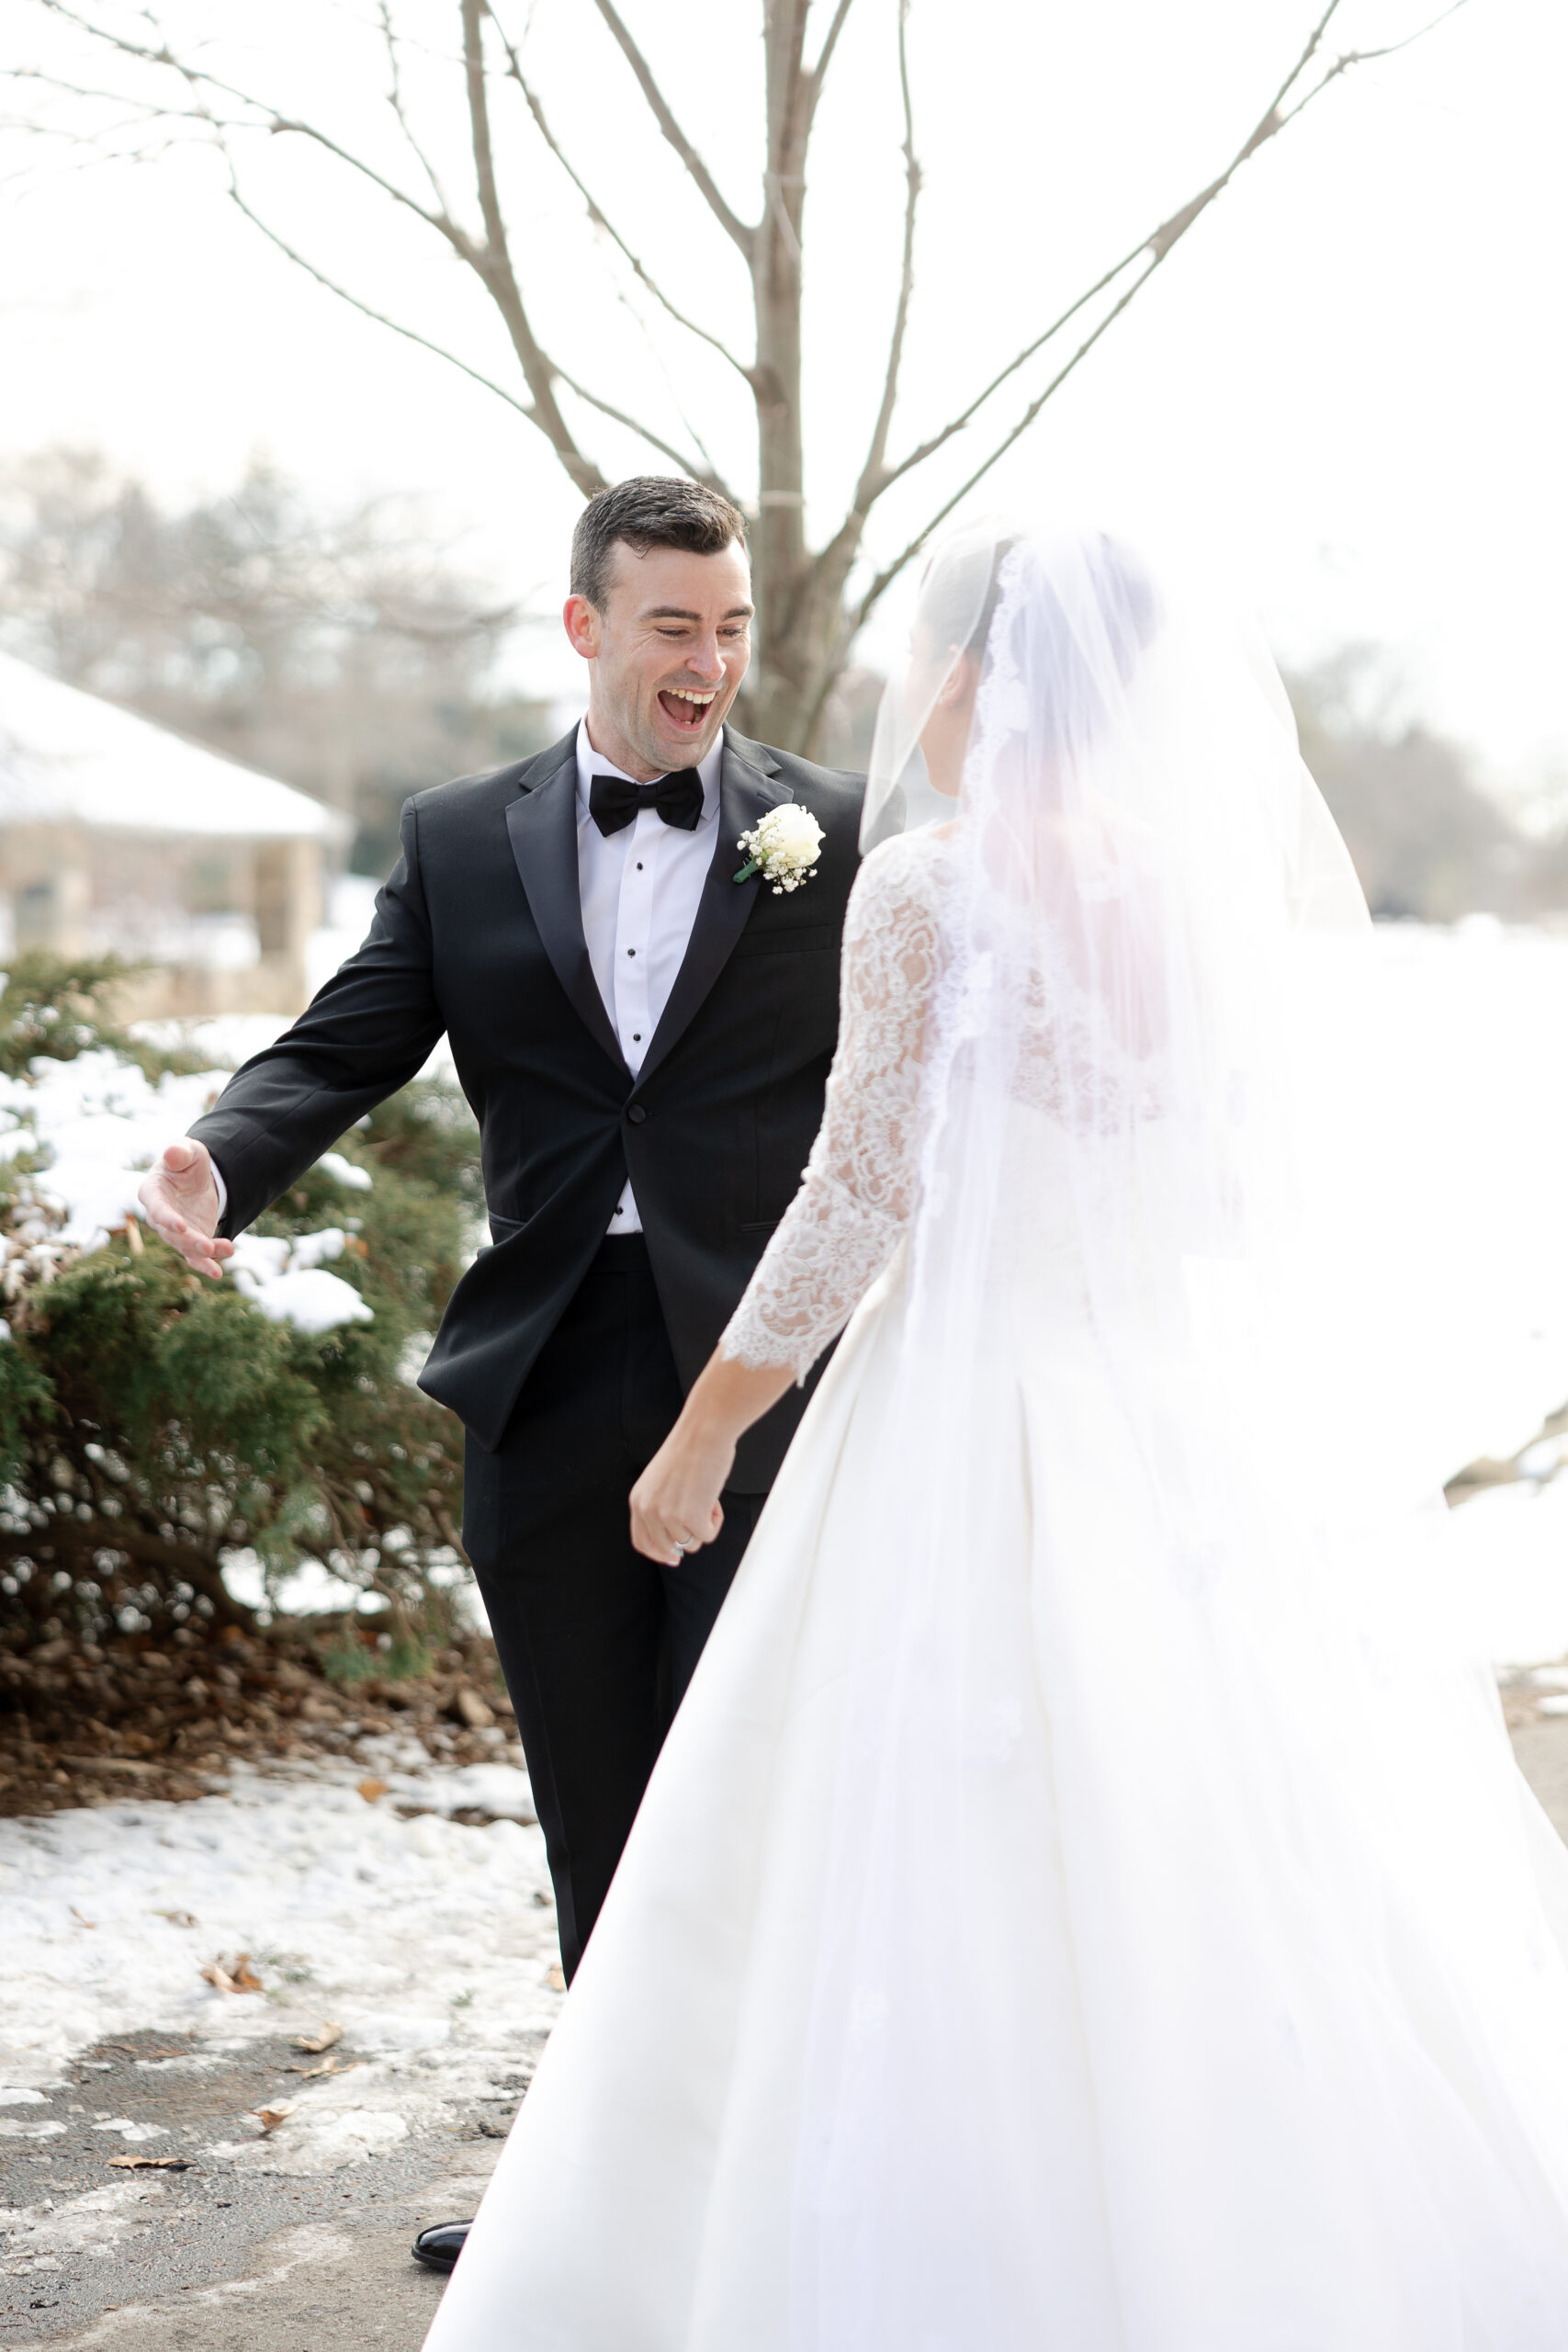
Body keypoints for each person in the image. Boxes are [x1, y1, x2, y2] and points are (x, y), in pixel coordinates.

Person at [419, 524, 1568, 2351]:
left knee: (907, 1839)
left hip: (968, 1418)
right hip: (1174, 1423)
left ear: (969, 678)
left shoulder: (935, 886)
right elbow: (1216, 1194)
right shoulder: (1195, 893)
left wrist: (703, 1424)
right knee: (1204, 1829)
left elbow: (857, 1191)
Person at [135, 474, 864, 2273]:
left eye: (731, 623)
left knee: (748, 1787)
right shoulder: (465, 836)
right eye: (672, 623)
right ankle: (601, 2197)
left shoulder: (830, 837)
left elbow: (908, 1103)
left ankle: (771, 2187)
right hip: (541, 1379)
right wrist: (218, 1162)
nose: (709, 662)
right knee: (594, 1797)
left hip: (756, 1386)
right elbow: (346, 1041)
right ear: (584, 625)